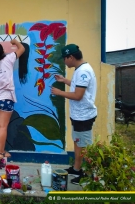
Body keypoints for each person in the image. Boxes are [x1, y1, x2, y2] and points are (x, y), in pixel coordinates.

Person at [51, 44, 97, 185]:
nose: (64, 61)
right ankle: (77, 169)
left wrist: (59, 93)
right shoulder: (80, 70)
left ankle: (89, 175)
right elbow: (78, 86)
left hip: (84, 116)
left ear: (70, 57)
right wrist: (65, 81)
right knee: (78, 143)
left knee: (85, 146)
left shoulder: (84, 72)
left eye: (65, 58)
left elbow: (78, 95)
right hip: (78, 115)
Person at [0, 39, 25, 167]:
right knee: (3, 126)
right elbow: (22, 49)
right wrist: (15, 42)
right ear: (2, 51)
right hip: (6, 98)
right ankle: (1, 154)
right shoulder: (8, 59)